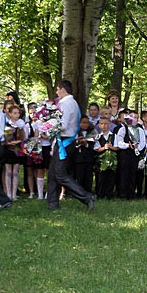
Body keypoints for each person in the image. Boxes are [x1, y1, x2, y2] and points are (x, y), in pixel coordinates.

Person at [46, 80, 96, 211]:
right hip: (66, 141)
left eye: (58, 89)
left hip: (64, 142)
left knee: (60, 175)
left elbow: (63, 124)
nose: (56, 92)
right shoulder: (73, 102)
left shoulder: (66, 103)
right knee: (52, 174)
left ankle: (86, 197)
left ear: (63, 89)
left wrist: (48, 125)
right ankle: (52, 204)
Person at [1, 101, 26, 200]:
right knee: (8, 171)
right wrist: (8, 143)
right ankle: (8, 193)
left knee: (15, 172)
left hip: (17, 150)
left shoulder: (21, 125)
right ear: (10, 114)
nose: (17, 115)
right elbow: (4, 138)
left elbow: (24, 137)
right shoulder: (7, 125)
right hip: (8, 149)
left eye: (18, 113)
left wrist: (18, 141)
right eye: (15, 113)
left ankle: (14, 194)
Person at [72, 115, 98, 194]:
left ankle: (88, 192)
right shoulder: (75, 132)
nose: (85, 125)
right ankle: (79, 192)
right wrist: (78, 142)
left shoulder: (92, 132)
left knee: (88, 177)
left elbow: (94, 145)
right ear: (79, 123)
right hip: (78, 159)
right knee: (79, 176)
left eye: (87, 123)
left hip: (89, 158)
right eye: (83, 123)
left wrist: (86, 144)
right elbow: (72, 144)